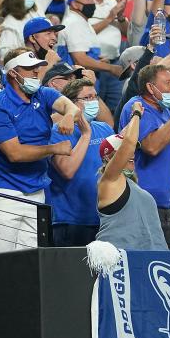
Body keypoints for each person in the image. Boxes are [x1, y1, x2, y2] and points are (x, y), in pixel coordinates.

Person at [0, 50, 80, 253]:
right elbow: (15, 153)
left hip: (35, 190)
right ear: (14, 73)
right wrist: (54, 148)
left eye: (37, 68)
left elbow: (72, 107)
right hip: (3, 192)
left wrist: (69, 115)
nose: (36, 73)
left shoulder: (43, 93)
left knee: (29, 261)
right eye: (30, 69)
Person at [118, 64, 170, 249]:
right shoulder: (137, 107)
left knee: (167, 266)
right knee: (148, 264)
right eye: (168, 82)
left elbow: (169, 148)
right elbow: (152, 147)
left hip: (164, 202)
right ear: (150, 87)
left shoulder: (164, 111)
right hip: (142, 203)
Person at [47, 78, 113, 247]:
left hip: (105, 220)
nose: (93, 102)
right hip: (71, 221)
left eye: (95, 97)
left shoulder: (104, 128)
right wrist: (85, 135)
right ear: (72, 103)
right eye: (87, 98)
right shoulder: (59, 131)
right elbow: (67, 171)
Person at [95, 100, 167, 251]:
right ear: (108, 157)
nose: (132, 153)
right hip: (120, 261)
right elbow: (128, 143)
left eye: (134, 150)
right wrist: (136, 114)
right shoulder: (109, 180)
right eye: (122, 151)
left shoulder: (132, 185)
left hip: (150, 261)